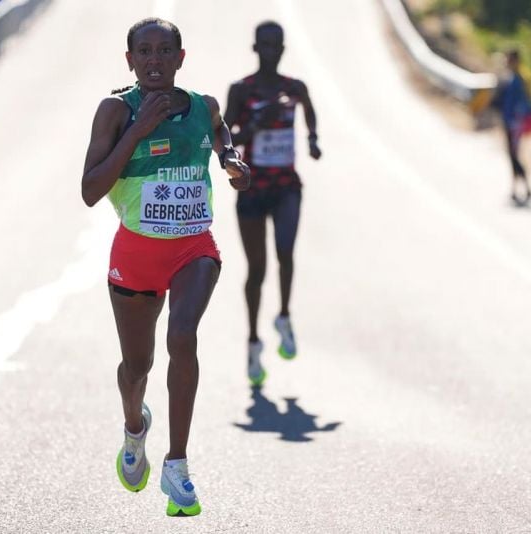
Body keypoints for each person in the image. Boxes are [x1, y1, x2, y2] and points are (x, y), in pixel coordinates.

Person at [81, 18, 250, 517]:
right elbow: (90, 191)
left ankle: (177, 465)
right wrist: (138, 130)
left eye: (164, 51)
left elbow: (219, 129)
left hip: (193, 249)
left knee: (183, 336)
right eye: (144, 52)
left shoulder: (204, 106)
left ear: (181, 58)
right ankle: (135, 426)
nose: (154, 60)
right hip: (135, 256)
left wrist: (229, 158)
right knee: (137, 368)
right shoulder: (116, 110)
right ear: (129, 60)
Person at [223, 21, 321, 386]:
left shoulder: (293, 88)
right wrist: (254, 126)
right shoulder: (241, 90)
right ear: (255, 47)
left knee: (286, 252)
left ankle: (283, 315)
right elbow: (224, 138)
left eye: (276, 44)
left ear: (282, 49)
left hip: (286, 186)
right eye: (263, 44)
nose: (269, 50)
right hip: (252, 187)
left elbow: (309, 108)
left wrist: (312, 138)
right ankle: (252, 341)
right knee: (257, 269)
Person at [491, 49, 531, 205]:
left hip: (515, 123)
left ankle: (525, 189)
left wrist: (517, 119)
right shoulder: (510, 78)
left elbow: (523, 102)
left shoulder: (518, 79)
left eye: (508, 59)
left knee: (514, 156)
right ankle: (516, 189)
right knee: (512, 156)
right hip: (509, 121)